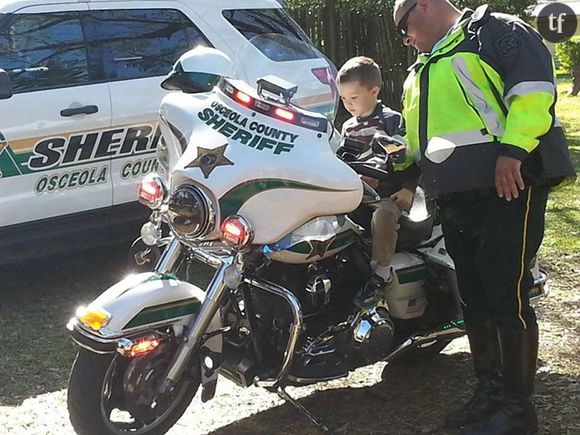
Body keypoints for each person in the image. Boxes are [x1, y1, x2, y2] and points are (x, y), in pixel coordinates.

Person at [392, 1, 576, 434]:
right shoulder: (422, 67)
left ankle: (517, 410)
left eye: (404, 24)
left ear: (428, 5)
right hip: (453, 198)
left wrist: (513, 151)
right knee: (473, 299)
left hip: (507, 190)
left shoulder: (494, 33)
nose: (404, 37)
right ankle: (488, 394)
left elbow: (533, 92)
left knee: (505, 297)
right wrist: (401, 173)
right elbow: (417, 134)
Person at [336, 56, 420, 309]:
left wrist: (408, 188)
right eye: (343, 99)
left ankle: (380, 275)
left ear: (374, 91)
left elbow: (412, 154)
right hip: (356, 194)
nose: (348, 104)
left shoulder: (391, 120)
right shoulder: (348, 127)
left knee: (382, 215)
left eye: (354, 98)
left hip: (388, 194)